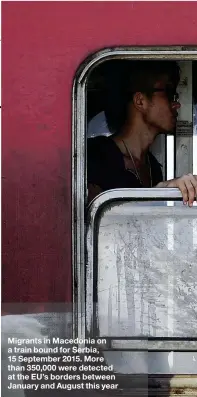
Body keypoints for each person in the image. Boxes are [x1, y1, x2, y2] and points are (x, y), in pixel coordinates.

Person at [87, 60, 197, 205]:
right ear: (140, 101)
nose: (177, 104)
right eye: (169, 94)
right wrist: (160, 189)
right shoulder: (95, 155)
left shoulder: (152, 167)